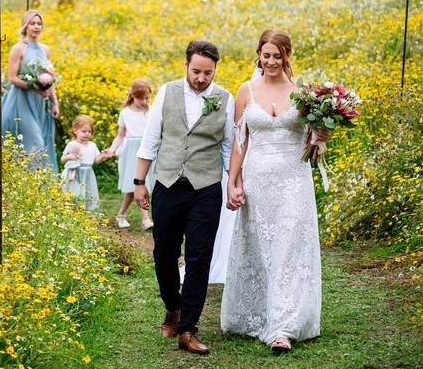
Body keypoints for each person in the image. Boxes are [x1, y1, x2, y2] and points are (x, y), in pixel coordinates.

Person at [220, 30, 328, 353]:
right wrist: (233, 181)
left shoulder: (303, 93)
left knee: (288, 251)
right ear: (259, 55)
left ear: (286, 56)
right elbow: (240, 142)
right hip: (258, 181)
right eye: (265, 55)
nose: (270, 62)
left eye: (276, 56)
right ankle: (258, 314)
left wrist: (322, 135)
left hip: (294, 181)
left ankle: (282, 327)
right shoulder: (245, 91)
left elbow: (313, 145)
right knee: (262, 250)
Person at [133, 40, 234, 356]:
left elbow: (229, 148)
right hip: (168, 182)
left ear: (215, 69)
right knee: (163, 253)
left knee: (199, 258)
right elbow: (151, 140)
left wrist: (233, 184)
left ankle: (188, 329)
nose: (202, 78)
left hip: (206, 188)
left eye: (208, 73)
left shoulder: (225, 99)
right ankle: (172, 306)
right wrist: (139, 182)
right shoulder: (167, 92)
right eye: (196, 71)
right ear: (186, 65)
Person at [0, 10, 59, 172]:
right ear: (25, 26)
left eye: (39, 24)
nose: (36, 27)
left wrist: (55, 103)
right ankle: (33, 180)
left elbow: (49, 77)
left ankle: (35, 183)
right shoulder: (18, 49)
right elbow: (13, 78)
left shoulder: (45, 49)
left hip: (41, 102)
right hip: (21, 101)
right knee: (35, 142)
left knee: (41, 139)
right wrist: (34, 87)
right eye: (32, 23)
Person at [104, 79, 155, 230]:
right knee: (136, 186)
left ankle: (127, 215)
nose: (145, 101)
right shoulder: (125, 113)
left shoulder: (151, 111)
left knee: (143, 186)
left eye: (147, 98)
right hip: (132, 152)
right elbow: (120, 135)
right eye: (142, 98)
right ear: (133, 95)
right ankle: (141, 218)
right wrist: (112, 150)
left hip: (147, 150)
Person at [60, 115, 109, 211]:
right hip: (75, 173)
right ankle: (73, 210)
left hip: (88, 173)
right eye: (84, 131)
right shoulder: (72, 144)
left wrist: (102, 156)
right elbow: (62, 159)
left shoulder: (92, 145)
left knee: (88, 192)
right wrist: (68, 157)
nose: (87, 134)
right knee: (75, 192)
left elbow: (96, 161)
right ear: (75, 130)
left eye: (89, 132)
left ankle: (85, 211)